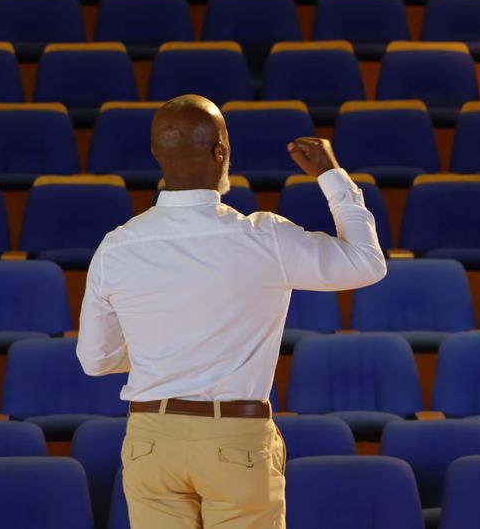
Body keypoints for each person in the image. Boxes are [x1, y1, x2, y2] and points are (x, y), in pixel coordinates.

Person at [77, 94, 386, 528]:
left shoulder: (116, 246)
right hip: (234, 440)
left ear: (156, 154)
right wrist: (332, 176)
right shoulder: (264, 238)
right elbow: (367, 263)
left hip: (150, 441)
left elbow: (95, 360)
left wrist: (164, 349)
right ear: (220, 151)